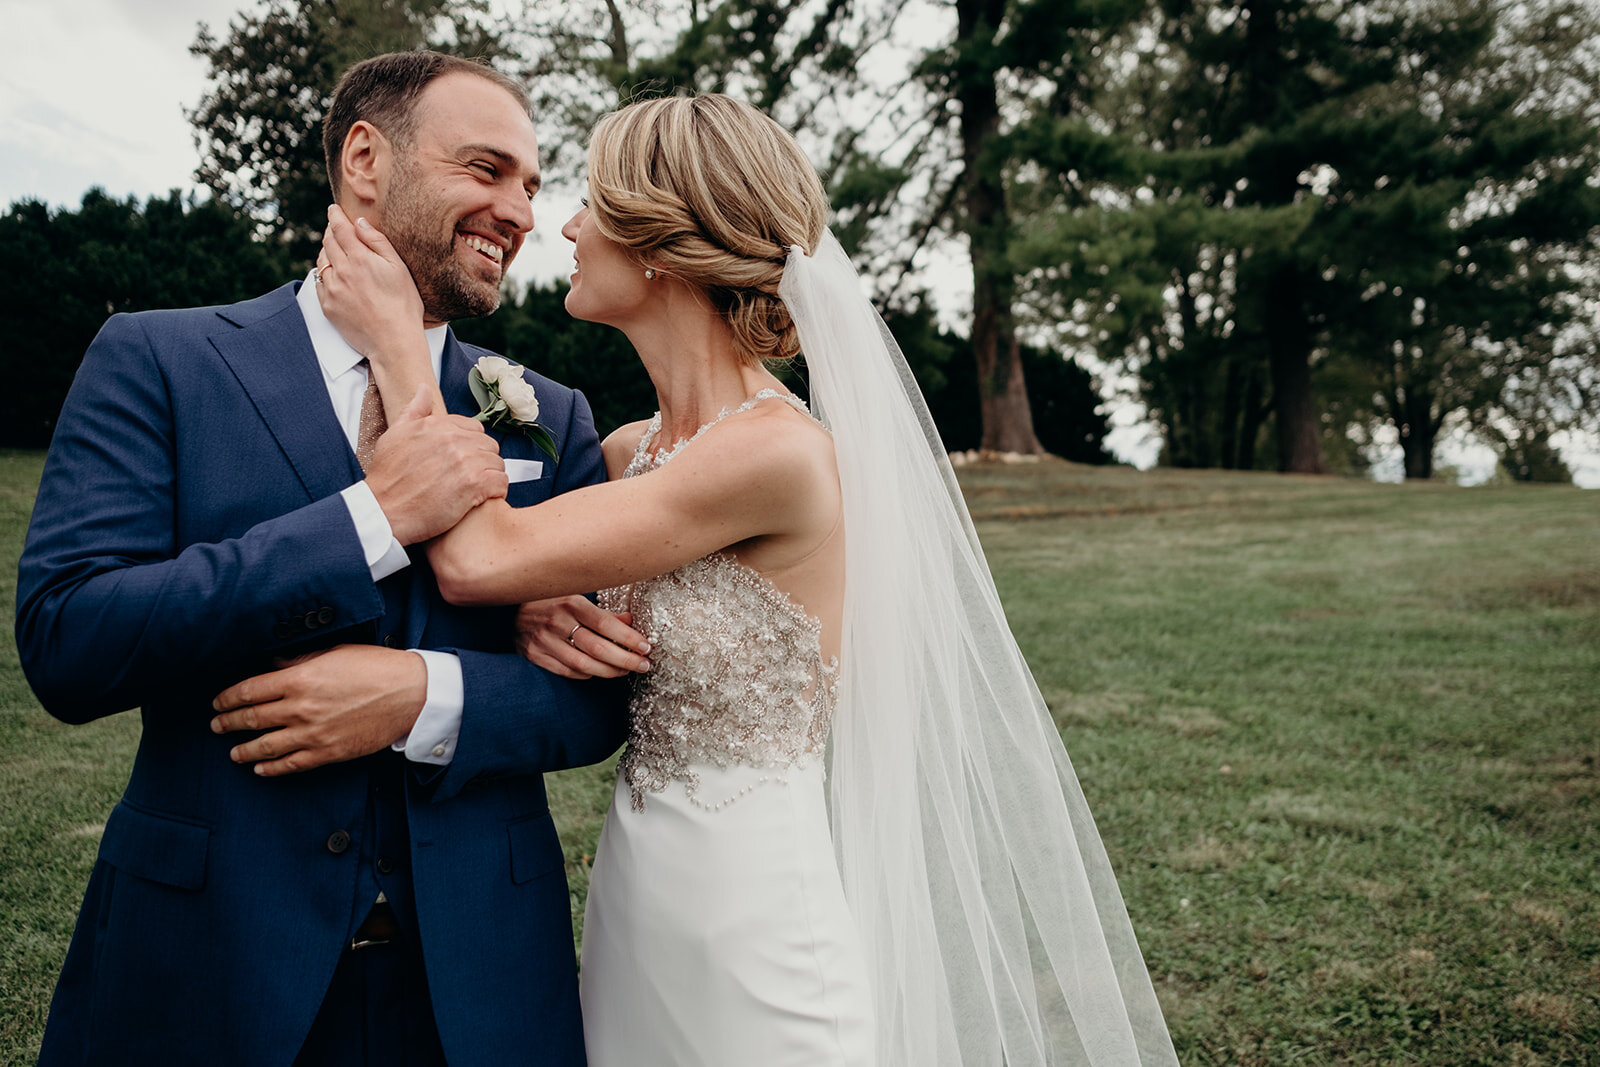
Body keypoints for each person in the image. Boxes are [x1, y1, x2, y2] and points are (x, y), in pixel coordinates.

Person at [313, 94, 1180, 1065]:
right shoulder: (632, 449)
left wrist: (397, 347)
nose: (561, 224)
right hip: (640, 892)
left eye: (590, 202)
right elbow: (511, 569)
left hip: (754, 914)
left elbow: (473, 557)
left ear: (658, 244)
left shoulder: (776, 455)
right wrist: (539, 600)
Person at [14, 52, 630, 1066]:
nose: (520, 210)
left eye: (528, 182)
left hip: (476, 993)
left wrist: (421, 693)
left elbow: (595, 697)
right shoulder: (160, 360)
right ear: (364, 160)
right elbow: (69, 639)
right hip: (206, 973)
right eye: (487, 169)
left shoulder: (549, 413)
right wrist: (371, 519)